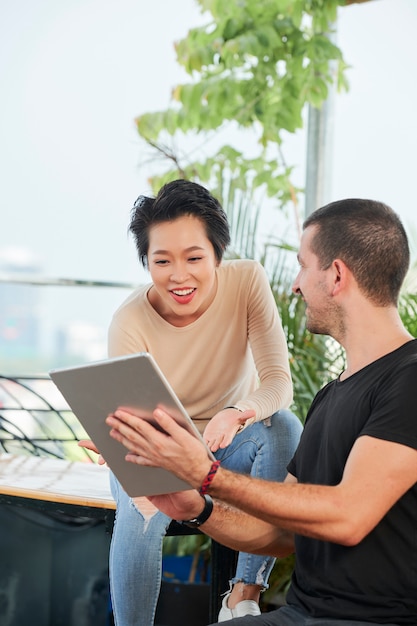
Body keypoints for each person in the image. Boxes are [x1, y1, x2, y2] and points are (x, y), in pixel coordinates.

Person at [107, 197, 417, 626]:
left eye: (303, 266)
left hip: (371, 620)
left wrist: (208, 472)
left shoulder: (410, 378)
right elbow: (281, 533)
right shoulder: (332, 396)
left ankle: (244, 592)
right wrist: (194, 507)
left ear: (337, 275)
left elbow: (348, 515)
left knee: (280, 425)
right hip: (299, 615)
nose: (294, 285)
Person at [89, 179, 302, 625]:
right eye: (162, 260)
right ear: (147, 261)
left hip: (231, 445)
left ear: (218, 255)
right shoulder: (129, 322)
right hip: (162, 450)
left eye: (194, 258)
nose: (178, 276)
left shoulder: (246, 282)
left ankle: (241, 596)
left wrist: (236, 412)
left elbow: (279, 382)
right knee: (140, 503)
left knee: (284, 426)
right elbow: (132, 427)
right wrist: (116, 442)